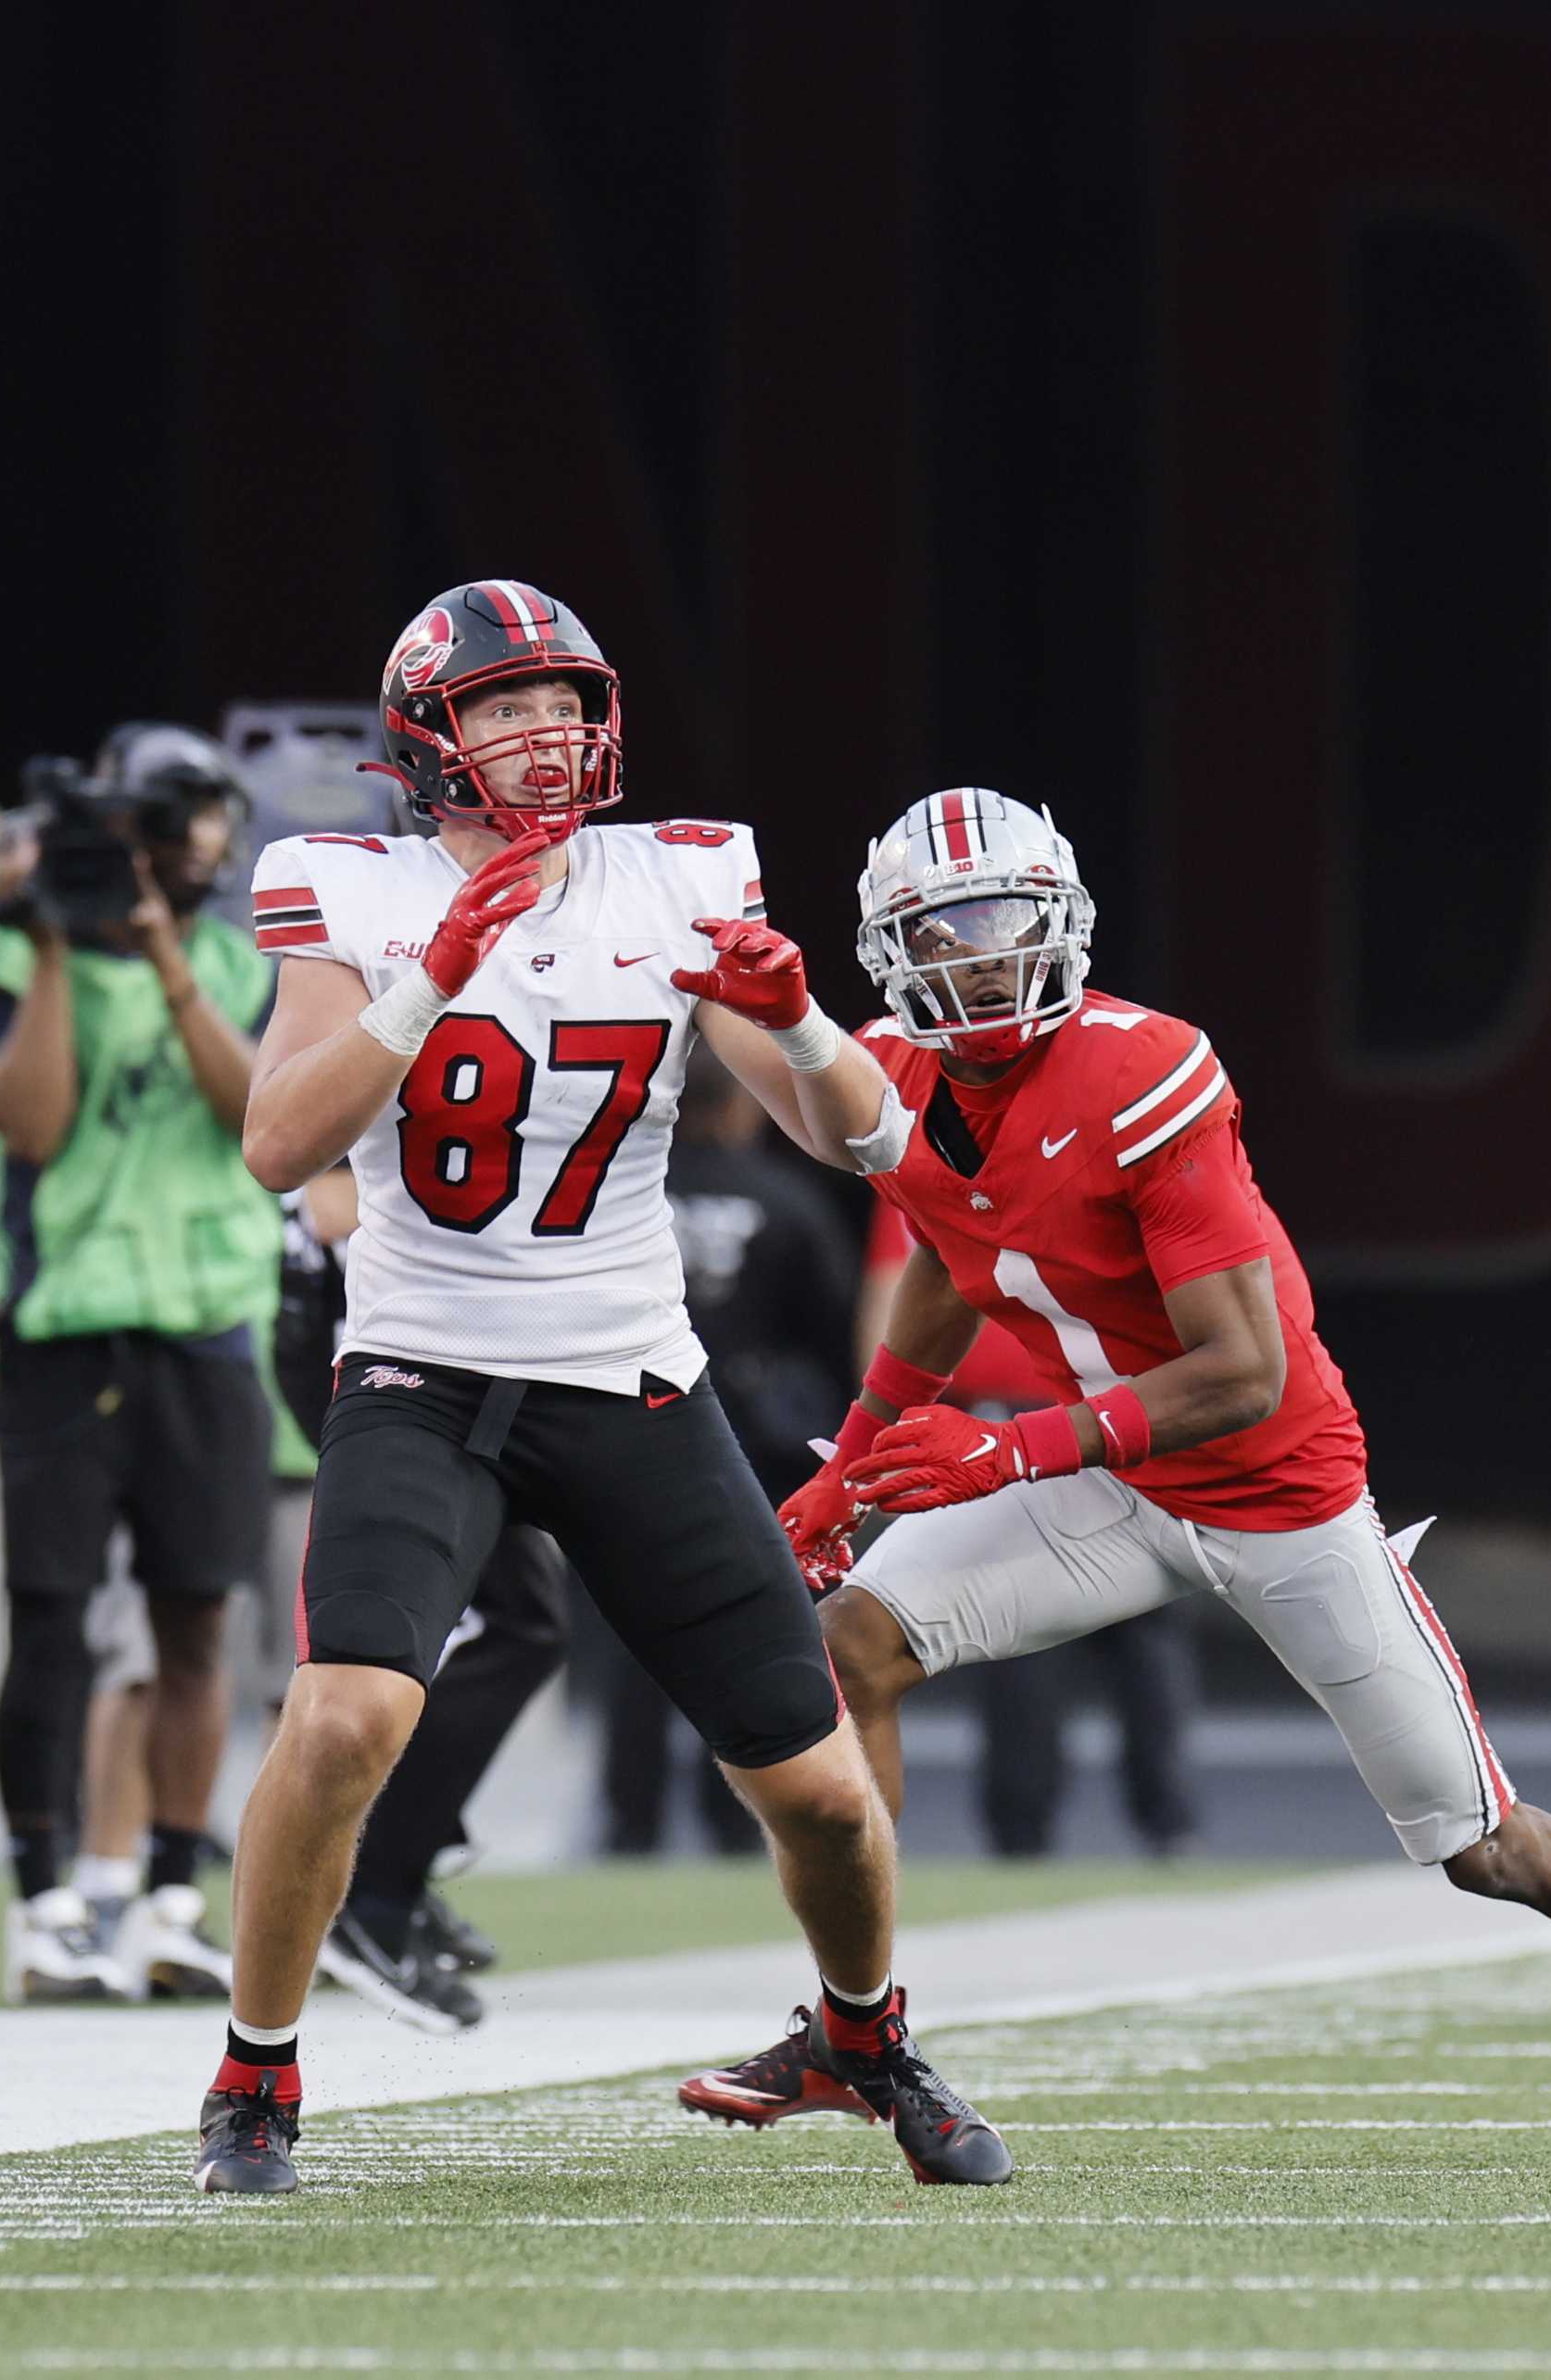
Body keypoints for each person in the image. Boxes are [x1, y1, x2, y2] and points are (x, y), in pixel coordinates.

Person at [720, 788, 1551, 2167]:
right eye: (939, 934)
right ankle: (863, 2031)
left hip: (1271, 1486)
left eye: (1000, 922)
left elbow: (1239, 1371)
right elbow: (957, 1258)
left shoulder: (1145, 1071)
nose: (976, 958)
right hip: (1119, 1483)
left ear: (1058, 919)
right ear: (893, 955)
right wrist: (856, 1459)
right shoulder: (902, 1078)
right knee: (849, 1647)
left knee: (1482, 1843)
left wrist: (1003, 1446)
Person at [199, 579, 1002, 2195]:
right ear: (427, 737)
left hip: (629, 1375)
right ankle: (254, 2073)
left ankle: (860, 2033)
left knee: (826, 1794)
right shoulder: (341, 883)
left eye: (564, 698)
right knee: (349, 1710)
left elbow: (868, 1139)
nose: (546, 731)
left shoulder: (681, 872)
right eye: (503, 703)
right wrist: (433, 971)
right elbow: (279, 1140)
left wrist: (796, 1020)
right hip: (421, 1365)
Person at [0, 725, 271, 2007]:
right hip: (66, 1324)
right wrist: (51, 941)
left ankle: (166, 1896)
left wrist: (161, 958)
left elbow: (255, 1118)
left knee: (196, 1620)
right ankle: (44, 1904)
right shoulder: (8, 951)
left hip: (206, 1322)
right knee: (51, 1623)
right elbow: (30, 1122)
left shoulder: (232, 961)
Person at [271, 1160, 574, 2033]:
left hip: (428, 1353)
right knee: (475, 1628)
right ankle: (373, 1884)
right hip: (391, 1365)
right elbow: (333, 1204)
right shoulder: (395, 1025)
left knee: (517, 1621)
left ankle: (398, 1852)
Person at [865, 1203, 1203, 1858]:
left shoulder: (926, 1156)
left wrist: (881, 1436)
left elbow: (885, 1303)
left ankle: (1082, 1825)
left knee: (1080, 1628)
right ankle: (1151, 1822)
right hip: (1086, 1409)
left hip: (1084, 1410)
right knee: (1079, 1632)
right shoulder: (926, 1161)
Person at [586, 1071, 860, 1857]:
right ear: (743, 1104)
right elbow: (833, 1328)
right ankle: (741, 1819)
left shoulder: (619, 1195)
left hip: (631, 1437)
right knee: (752, 1637)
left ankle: (628, 1820)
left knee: (633, 1644)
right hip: (756, 1454)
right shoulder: (789, 1196)